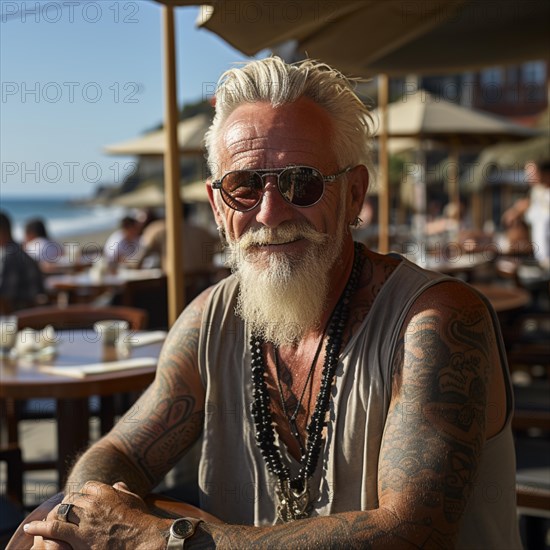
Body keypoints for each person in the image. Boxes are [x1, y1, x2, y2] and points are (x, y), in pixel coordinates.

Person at [25, 57, 522, 549]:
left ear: (353, 195)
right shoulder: (209, 321)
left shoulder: (437, 321)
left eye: (301, 183)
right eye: (243, 187)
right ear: (219, 207)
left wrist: (166, 538)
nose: (270, 212)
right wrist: (79, 515)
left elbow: (412, 534)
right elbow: (120, 452)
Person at [0, 211, 45, 312]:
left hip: (18, 315)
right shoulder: (18, 251)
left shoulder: (9, 257)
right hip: (31, 311)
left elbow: (5, 295)